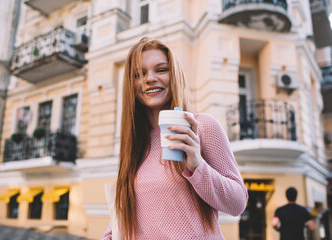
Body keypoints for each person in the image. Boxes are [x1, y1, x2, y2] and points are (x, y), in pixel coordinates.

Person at [101, 37, 248, 240]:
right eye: (139, 74)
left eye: (161, 70)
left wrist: (197, 164)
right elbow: (123, 221)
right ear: (131, 85)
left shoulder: (202, 126)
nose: (149, 78)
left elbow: (237, 203)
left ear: (175, 75)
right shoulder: (134, 145)